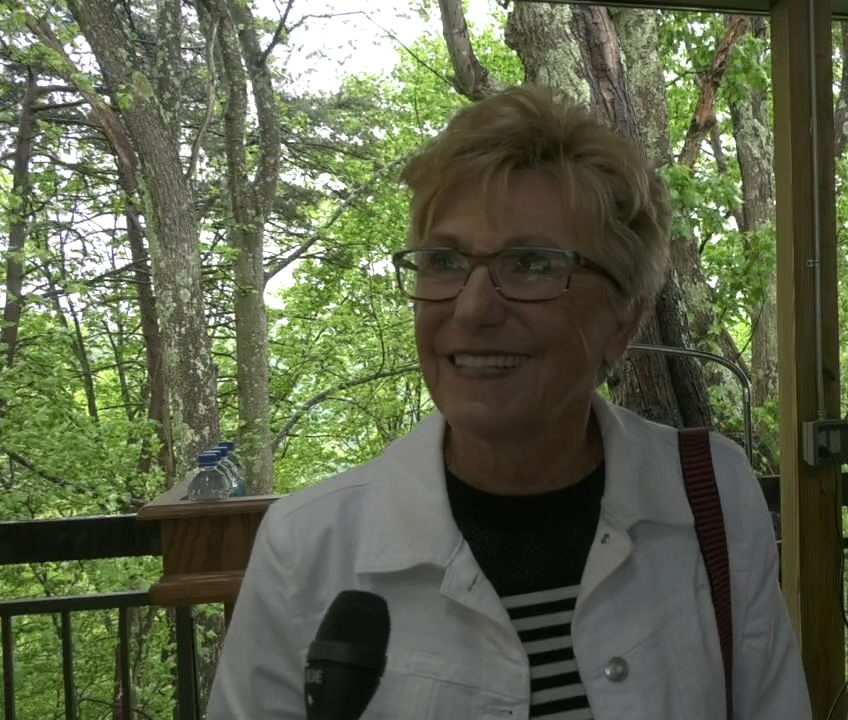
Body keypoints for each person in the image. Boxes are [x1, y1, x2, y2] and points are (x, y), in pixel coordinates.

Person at [205, 85, 810, 720]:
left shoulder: (710, 495)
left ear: (622, 322)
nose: (472, 309)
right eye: (444, 260)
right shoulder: (307, 548)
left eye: (530, 264)